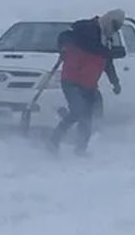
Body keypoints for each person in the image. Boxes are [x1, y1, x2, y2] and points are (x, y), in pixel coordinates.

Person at [48, 9, 125, 155]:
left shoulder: (107, 41)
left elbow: (107, 63)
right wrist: (63, 47)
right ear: (109, 20)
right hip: (72, 78)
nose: (115, 30)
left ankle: (80, 150)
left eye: (118, 28)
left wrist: (115, 82)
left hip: (89, 83)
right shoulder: (86, 27)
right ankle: (53, 141)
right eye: (115, 26)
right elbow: (65, 36)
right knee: (78, 110)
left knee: (87, 118)